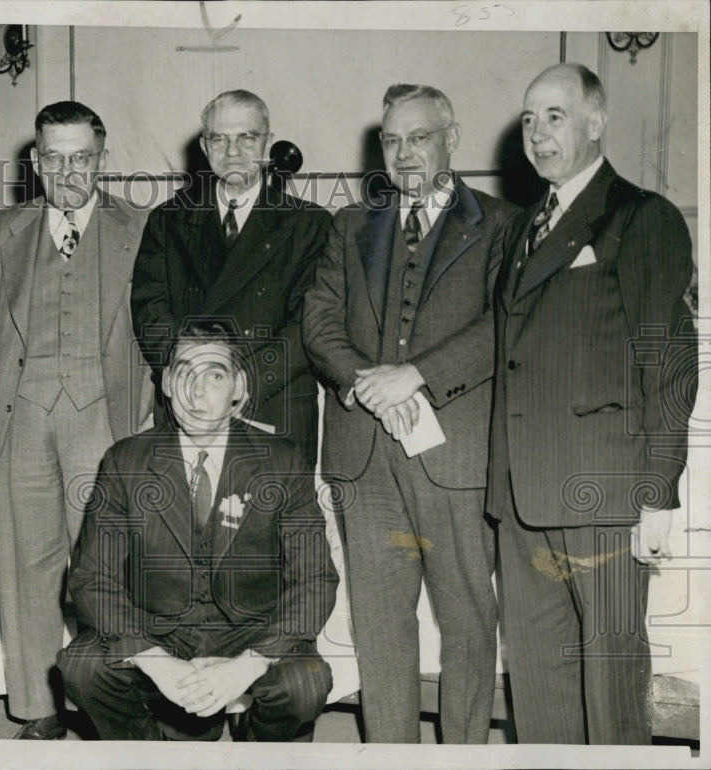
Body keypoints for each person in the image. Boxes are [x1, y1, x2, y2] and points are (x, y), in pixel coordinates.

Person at [487, 63, 697, 744]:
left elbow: (668, 361)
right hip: (521, 499)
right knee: (539, 696)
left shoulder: (642, 216)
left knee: (611, 698)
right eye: (529, 119)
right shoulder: (522, 228)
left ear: (597, 122)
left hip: (603, 497)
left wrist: (658, 491)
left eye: (555, 115)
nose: (537, 133)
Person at [302, 84, 518, 743]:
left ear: (452, 139)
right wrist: (367, 385)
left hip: (456, 457)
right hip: (364, 459)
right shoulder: (349, 225)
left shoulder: (503, 225)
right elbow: (319, 322)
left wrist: (415, 376)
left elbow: (504, 323)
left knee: (467, 622)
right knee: (379, 625)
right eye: (391, 141)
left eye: (418, 137)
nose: (403, 153)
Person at [0, 100, 152, 739]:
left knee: (109, 571)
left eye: (81, 158)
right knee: (23, 567)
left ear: (102, 159)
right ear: (35, 161)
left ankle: (111, 707)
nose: (68, 171)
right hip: (18, 417)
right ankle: (38, 709)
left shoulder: (141, 228)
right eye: (54, 158)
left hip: (106, 419)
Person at [59, 322, 338, 741]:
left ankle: (256, 746)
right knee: (81, 665)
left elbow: (316, 580)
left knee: (306, 682)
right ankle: (147, 755)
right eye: (184, 372)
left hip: (251, 632)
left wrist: (247, 665)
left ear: (239, 388)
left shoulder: (282, 461)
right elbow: (91, 578)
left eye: (215, 375)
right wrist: (156, 662)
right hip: (157, 632)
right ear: (167, 383)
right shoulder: (125, 461)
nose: (196, 391)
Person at [131, 90, 331, 466]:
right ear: (204, 147)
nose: (233, 151)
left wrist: (239, 385)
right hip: (189, 406)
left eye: (247, 137)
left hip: (272, 405)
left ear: (268, 144)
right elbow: (149, 312)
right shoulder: (167, 220)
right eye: (220, 138)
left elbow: (309, 323)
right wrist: (195, 382)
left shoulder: (309, 224)